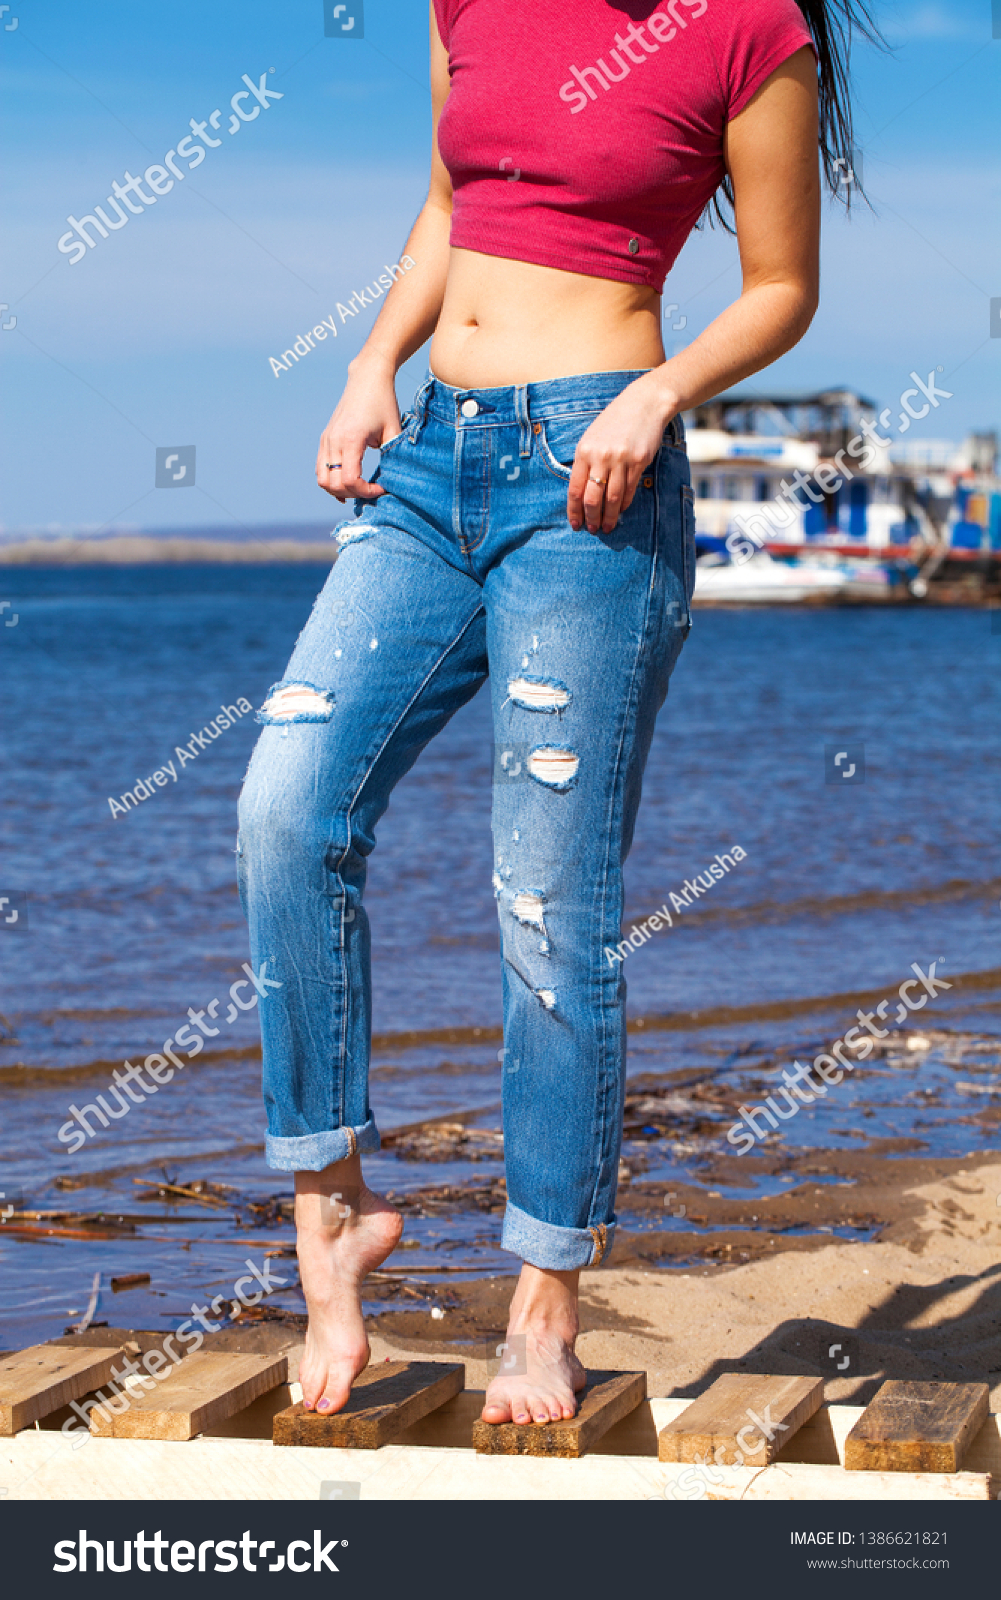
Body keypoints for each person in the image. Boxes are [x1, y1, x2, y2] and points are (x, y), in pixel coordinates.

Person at [237, 0, 877, 1425]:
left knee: (546, 905)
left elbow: (780, 285)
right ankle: (329, 1214)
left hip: (589, 479)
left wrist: (656, 394)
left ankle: (543, 1300)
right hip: (426, 470)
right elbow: (450, 199)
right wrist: (366, 365)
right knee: (283, 810)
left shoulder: (752, 31)